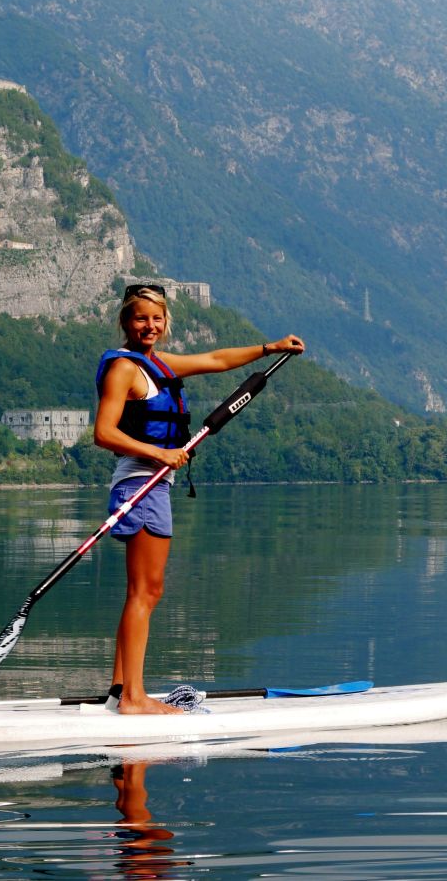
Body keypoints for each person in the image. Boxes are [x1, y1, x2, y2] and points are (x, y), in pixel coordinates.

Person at [94, 283, 305, 715]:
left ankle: (120, 689)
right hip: (140, 485)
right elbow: (104, 433)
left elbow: (215, 360)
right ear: (125, 322)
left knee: (141, 592)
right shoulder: (124, 369)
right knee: (146, 592)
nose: (149, 325)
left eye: (157, 318)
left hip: (151, 485)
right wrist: (162, 453)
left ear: (166, 322)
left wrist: (270, 348)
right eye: (140, 318)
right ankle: (134, 699)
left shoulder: (157, 365)